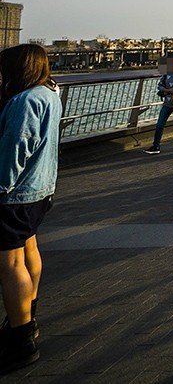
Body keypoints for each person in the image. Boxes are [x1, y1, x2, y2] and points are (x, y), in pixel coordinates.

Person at [0, 44, 61, 373]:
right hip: (40, 190)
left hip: (15, 194)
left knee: (9, 264)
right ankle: (27, 317)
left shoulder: (24, 101)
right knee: (28, 248)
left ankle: (21, 339)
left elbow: (15, 147)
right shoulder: (49, 93)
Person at [144, 54, 173, 154]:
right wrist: (167, 90)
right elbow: (160, 85)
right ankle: (156, 146)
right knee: (160, 123)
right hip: (167, 102)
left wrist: (169, 91)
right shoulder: (166, 73)